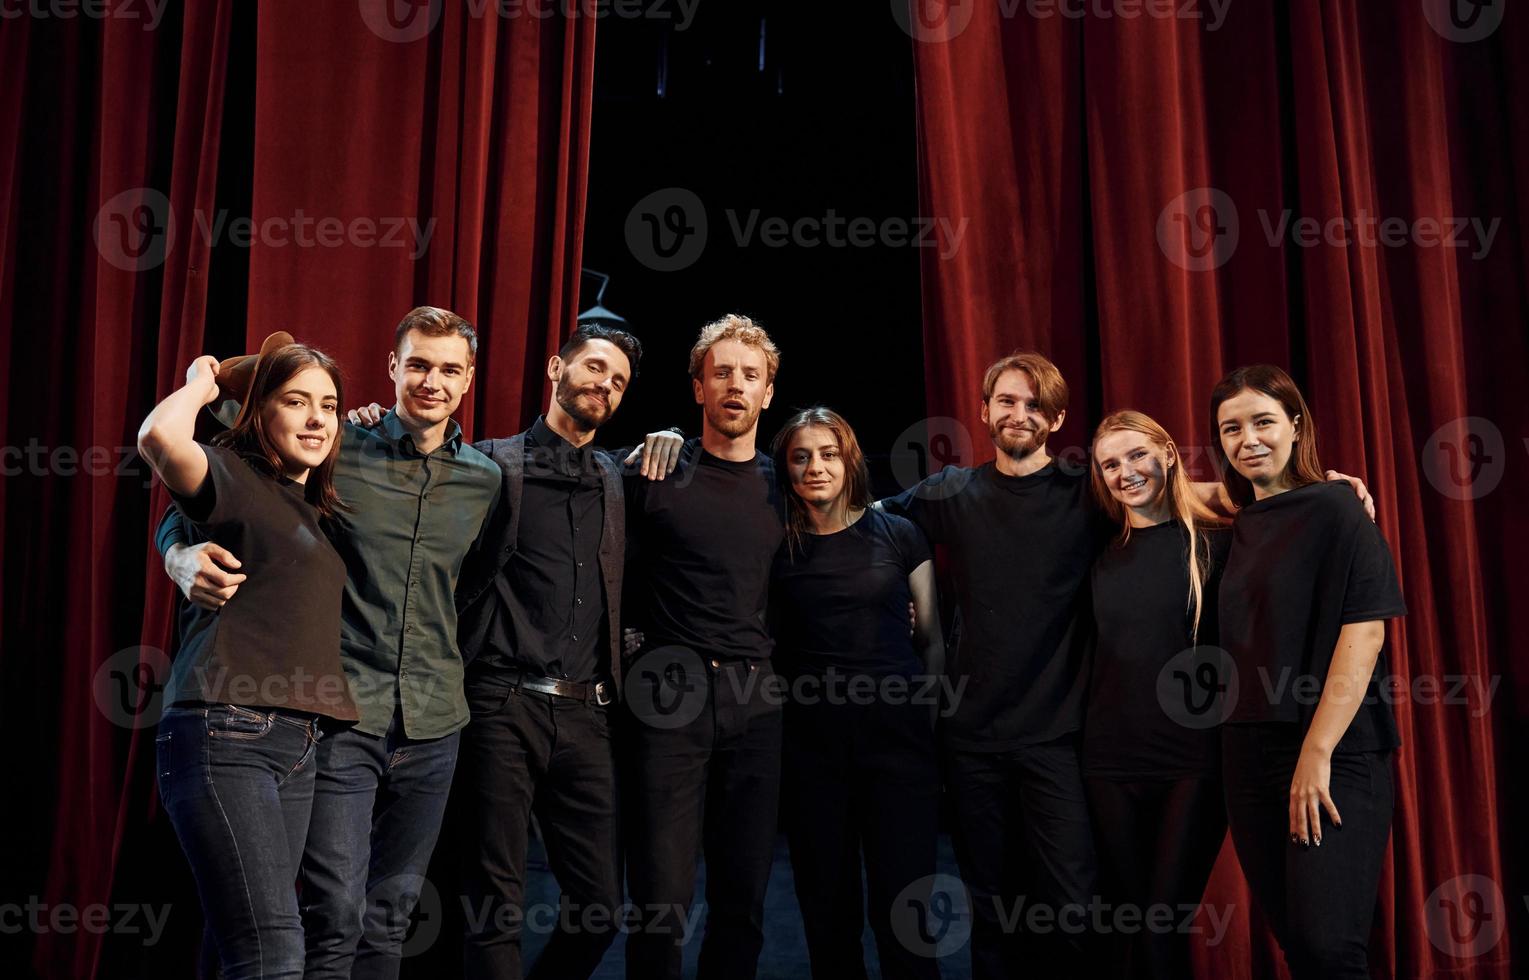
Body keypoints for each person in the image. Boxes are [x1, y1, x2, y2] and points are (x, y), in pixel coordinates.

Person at [879, 351, 1374, 980]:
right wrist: (902, 601)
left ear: (1056, 420)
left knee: (1114, 919)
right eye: (1006, 401)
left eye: (1034, 405)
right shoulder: (964, 496)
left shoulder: (1095, 503)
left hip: (1114, 749)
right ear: (983, 410)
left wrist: (1318, 490)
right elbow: (868, 522)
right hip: (1025, 745)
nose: (1019, 414)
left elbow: (1184, 497)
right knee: (1018, 910)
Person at [158, 308, 502, 979]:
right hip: (337, 715)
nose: (433, 380)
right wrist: (177, 556)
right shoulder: (338, 447)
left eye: (449, 369)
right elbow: (200, 494)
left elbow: (478, 585)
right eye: (420, 364)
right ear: (394, 368)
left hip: (434, 722)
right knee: (328, 915)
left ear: (467, 381)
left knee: (389, 916)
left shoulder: (486, 479)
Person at [445, 323, 674, 979]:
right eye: (595, 367)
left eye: (619, 381)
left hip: (587, 717)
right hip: (500, 704)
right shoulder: (489, 463)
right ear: (555, 368)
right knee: (494, 907)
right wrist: (374, 423)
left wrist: (674, 436)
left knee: (599, 909)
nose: (604, 384)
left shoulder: (616, 476)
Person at [139, 338, 358, 979]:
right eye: (297, 402)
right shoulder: (233, 477)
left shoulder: (317, 509)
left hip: (298, 739)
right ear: (260, 414)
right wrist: (203, 384)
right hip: (226, 731)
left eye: (330, 405)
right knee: (274, 955)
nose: (318, 419)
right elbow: (159, 437)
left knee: (237, 950)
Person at [1210, 365, 1406, 979]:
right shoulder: (1233, 523)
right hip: (1247, 753)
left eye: (1264, 422)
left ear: (1296, 426)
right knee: (1297, 946)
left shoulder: (1336, 507)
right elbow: (1153, 485)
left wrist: (1316, 753)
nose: (1248, 439)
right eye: (1231, 428)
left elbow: (1366, 631)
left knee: (1329, 946)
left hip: (1334, 750)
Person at [621, 313, 785, 980]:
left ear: (769, 393)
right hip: (668, 697)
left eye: (750, 376)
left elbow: (861, 526)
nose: (735, 386)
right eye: (721, 373)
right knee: (661, 899)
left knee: (742, 898)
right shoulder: (656, 469)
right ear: (697, 388)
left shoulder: (787, 486)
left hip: (757, 700)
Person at [768, 407, 944, 980]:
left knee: (905, 904)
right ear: (785, 468)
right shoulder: (776, 544)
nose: (815, 467)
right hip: (812, 750)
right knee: (827, 907)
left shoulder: (898, 531)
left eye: (827, 454)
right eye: (800, 457)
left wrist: (930, 719)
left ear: (850, 461)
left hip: (898, 746)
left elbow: (929, 636)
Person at [1082, 410, 1230, 980]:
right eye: (1111, 464)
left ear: (1168, 453)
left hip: (1193, 765)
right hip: (1107, 764)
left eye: (1138, 455)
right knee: (1123, 925)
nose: (1127, 472)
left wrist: (1340, 485)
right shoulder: (1097, 552)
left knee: (1161, 928)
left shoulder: (1220, 541)